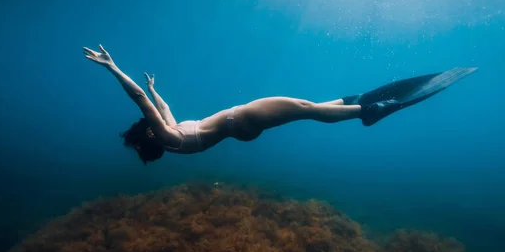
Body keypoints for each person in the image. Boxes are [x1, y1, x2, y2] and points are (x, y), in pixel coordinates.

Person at [83, 45, 477, 164]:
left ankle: (353, 103)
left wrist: (153, 87)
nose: (148, 121)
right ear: (148, 135)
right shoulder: (168, 139)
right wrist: (113, 68)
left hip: (241, 127)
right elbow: (142, 104)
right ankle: (367, 111)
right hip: (242, 119)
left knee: (307, 106)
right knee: (305, 109)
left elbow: (158, 107)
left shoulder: (172, 136)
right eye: (144, 127)